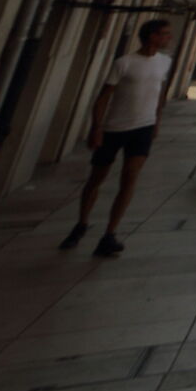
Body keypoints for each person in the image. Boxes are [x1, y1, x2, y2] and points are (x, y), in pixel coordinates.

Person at [61, 19, 174, 257]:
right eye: (165, 34)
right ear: (152, 36)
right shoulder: (124, 63)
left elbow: (159, 93)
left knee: (130, 178)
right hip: (114, 127)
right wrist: (97, 127)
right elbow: (103, 97)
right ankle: (82, 223)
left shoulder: (165, 62)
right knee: (97, 177)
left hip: (143, 127)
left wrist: (157, 121)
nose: (169, 38)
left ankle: (110, 233)